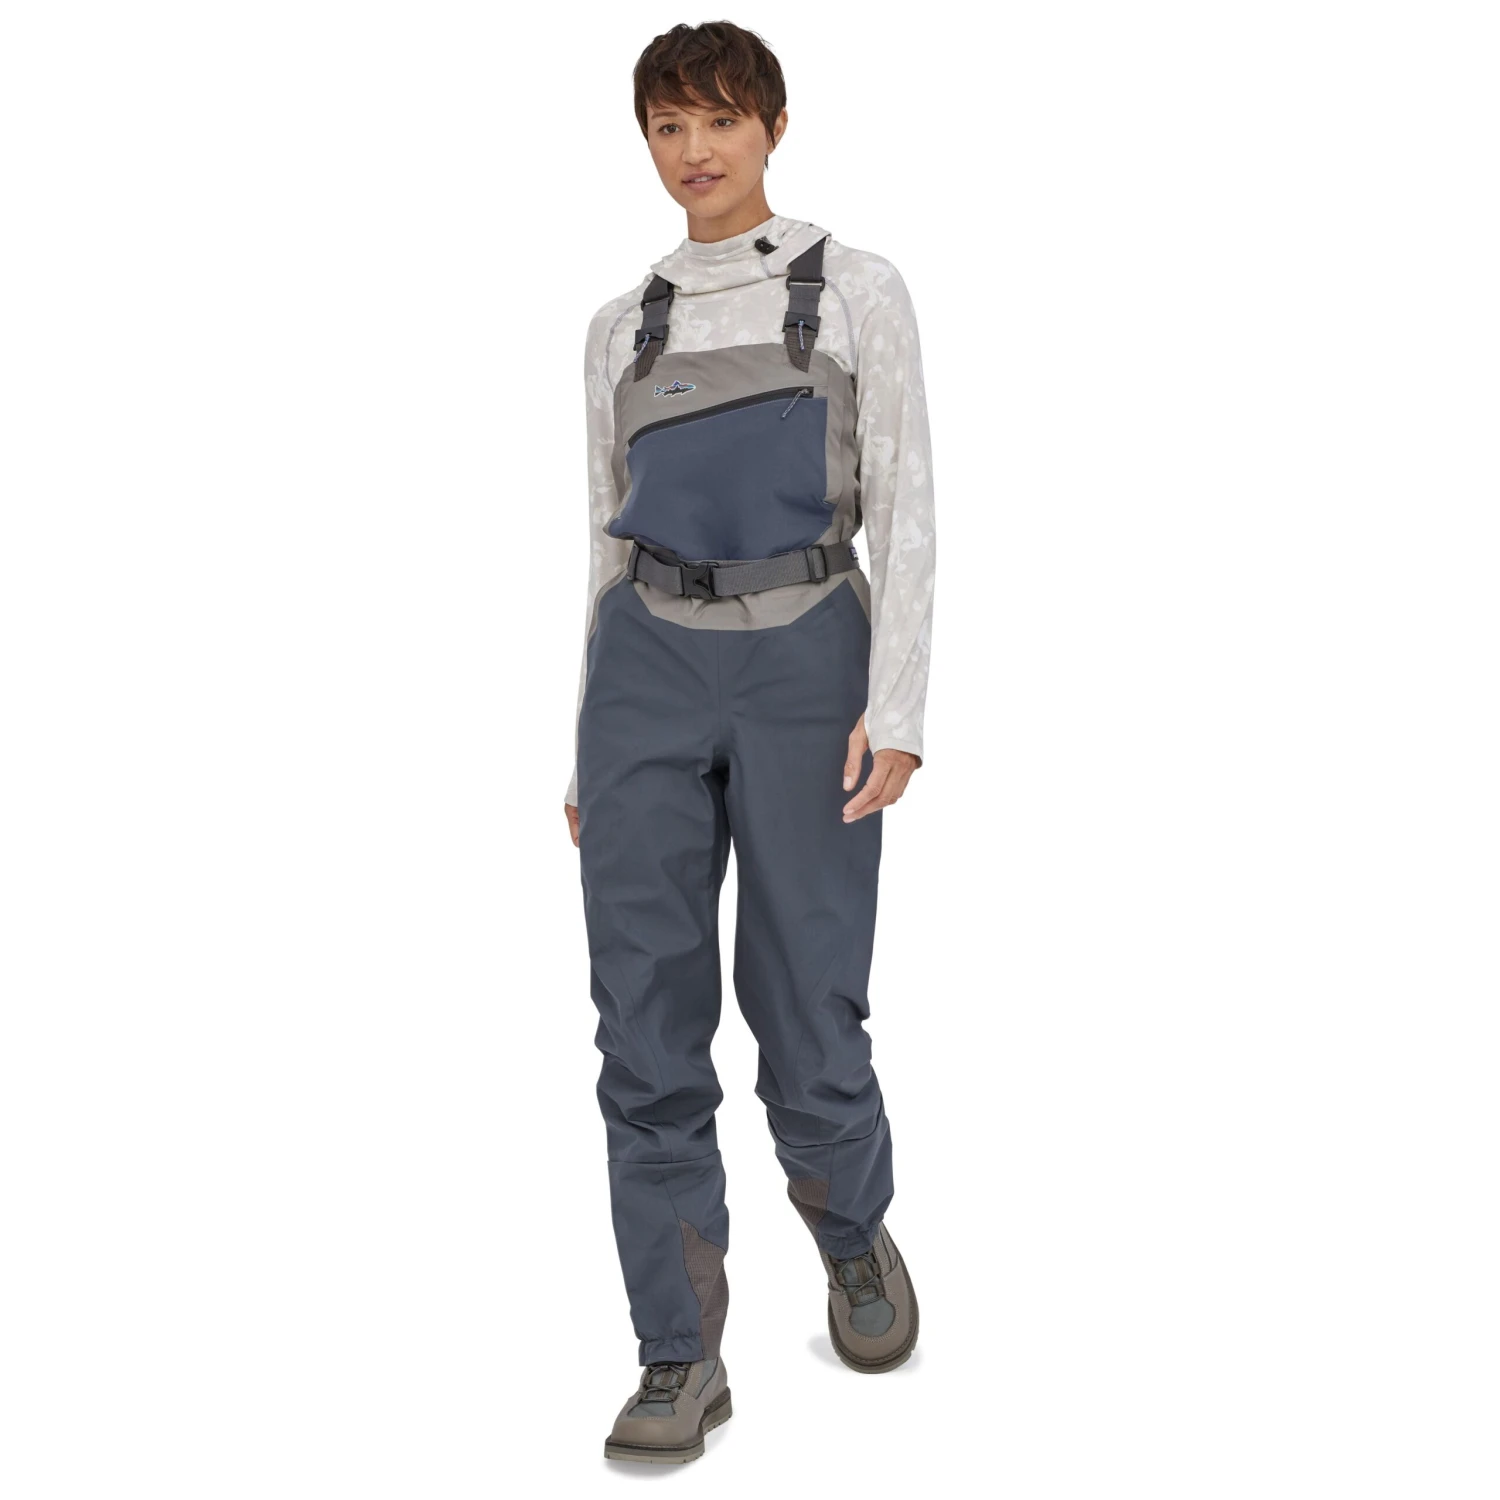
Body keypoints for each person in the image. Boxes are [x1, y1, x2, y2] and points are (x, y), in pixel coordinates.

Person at [563, 21, 936, 1465]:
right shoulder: (623, 325)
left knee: (806, 1002)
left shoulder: (855, 289)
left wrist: (898, 704)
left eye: (720, 120)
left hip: (807, 655)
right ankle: (679, 1352)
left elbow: (906, 498)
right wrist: (585, 743)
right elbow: (597, 537)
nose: (694, 151)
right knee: (644, 1018)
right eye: (668, 126)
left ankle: (849, 1229)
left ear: (773, 127)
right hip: (644, 667)